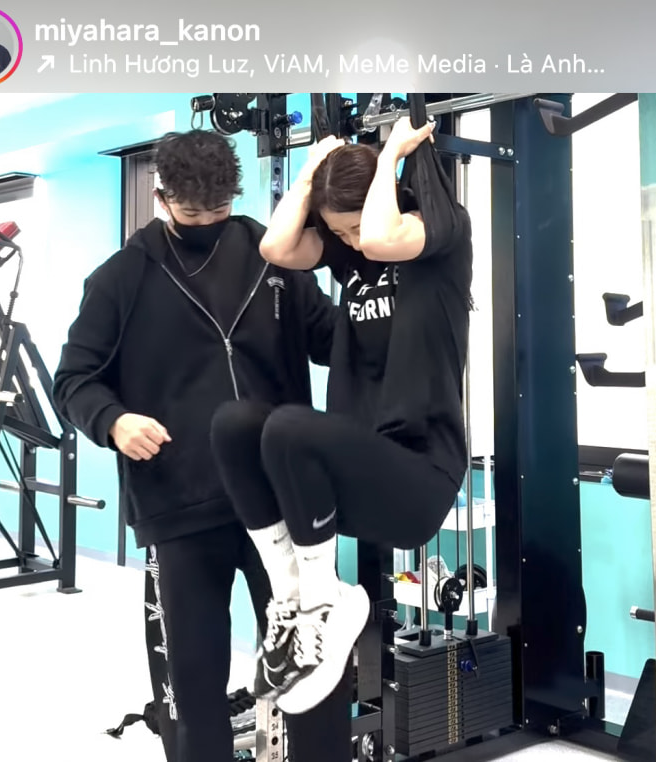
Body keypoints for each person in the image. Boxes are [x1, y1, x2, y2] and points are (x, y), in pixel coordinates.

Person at [52, 129, 347, 762]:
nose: (208, 223)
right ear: (161, 199)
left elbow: (333, 341)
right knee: (194, 688)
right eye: (192, 214)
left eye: (219, 210)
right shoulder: (122, 278)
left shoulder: (274, 258)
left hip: (283, 504)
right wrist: (113, 421)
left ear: (234, 196)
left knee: (314, 681)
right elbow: (74, 379)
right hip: (180, 507)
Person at [210, 115, 473, 719]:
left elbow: (380, 237)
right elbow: (276, 248)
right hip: (361, 468)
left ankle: (328, 603)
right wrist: (310, 170)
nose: (350, 243)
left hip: (422, 474)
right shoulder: (350, 254)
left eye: (351, 228)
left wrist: (390, 155)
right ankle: (296, 597)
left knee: (290, 427)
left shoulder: (441, 232)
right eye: (338, 233)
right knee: (235, 425)